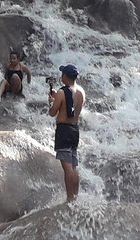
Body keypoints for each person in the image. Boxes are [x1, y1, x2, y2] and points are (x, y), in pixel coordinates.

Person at [48, 64, 85, 202]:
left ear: (65, 76)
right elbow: (74, 106)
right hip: (75, 129)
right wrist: (56, 99)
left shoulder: (62, 92)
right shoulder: (81, 91)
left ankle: (69, 199)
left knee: (67, 167)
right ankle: (75, 196)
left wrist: (52, 102)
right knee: (74, 166)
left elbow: (53, 112)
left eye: (62, 73)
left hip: (63, 129)